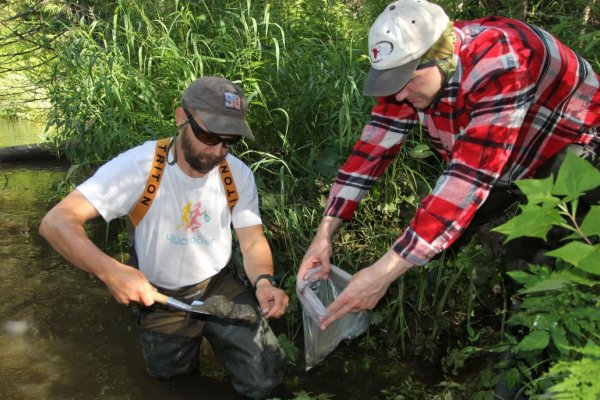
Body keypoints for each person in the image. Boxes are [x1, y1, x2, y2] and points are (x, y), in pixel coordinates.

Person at [298, 0, 599, 331]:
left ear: (441, 58)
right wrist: (325, 232)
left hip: (576, 142)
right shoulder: (414, 76)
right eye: (390, 83)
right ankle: (413, 303)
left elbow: (466, 180)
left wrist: (383, 271)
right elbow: (370, 151)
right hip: (510, 151)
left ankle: (530, 346)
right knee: (432, 242)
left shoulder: (502, 62)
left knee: (526, 256)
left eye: (405, 81)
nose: (397, 96)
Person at [40, 76, 289, 399]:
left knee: (265, 378)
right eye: (208, 136)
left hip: (220, 285)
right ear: (181, 117)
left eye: (229, 142)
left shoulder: (236, 173)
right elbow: (56, 222)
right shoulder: (140, 167)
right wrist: (110, 271)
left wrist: (264, 283)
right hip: (160, 296)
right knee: (174, 384)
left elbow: (252, 240)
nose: (217, 152)